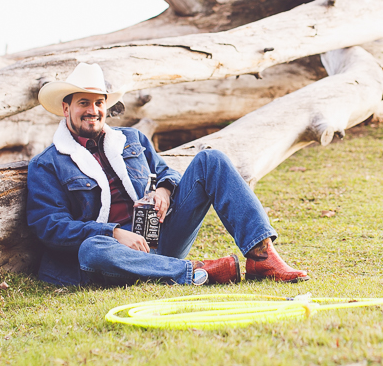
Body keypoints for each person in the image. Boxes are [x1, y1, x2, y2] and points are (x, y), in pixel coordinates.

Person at [26, 62, 308, 286]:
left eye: (98, 102)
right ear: (66, 108)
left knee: (211, 159)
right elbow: (50, 227)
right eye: (83, 103)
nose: (93, 110)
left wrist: (164, 190)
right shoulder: (47, 164)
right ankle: (196, 272)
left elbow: (165, 173)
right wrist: (113, 233)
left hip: (162, 237)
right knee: (91, 249)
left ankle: (261, 255)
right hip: (115, 256)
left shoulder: (132, 139)